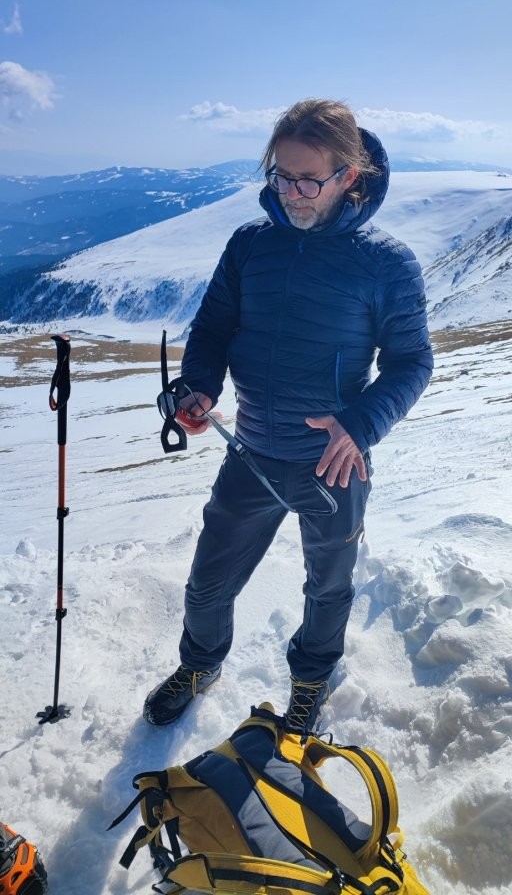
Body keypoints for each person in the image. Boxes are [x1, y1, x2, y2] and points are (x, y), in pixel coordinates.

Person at [144, 98, 434, 731]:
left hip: (332, 463)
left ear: (348, 176)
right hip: (249, 450)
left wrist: (360, 425)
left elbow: (412, 362)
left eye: (308, 180)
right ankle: (199, 665)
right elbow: (213, 328)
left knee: (327, 586)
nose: (293, 194)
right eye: (281, 176)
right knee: (208, 582)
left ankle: (310, 682)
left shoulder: (387, 263)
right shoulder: (251, 244)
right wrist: (199, 388)